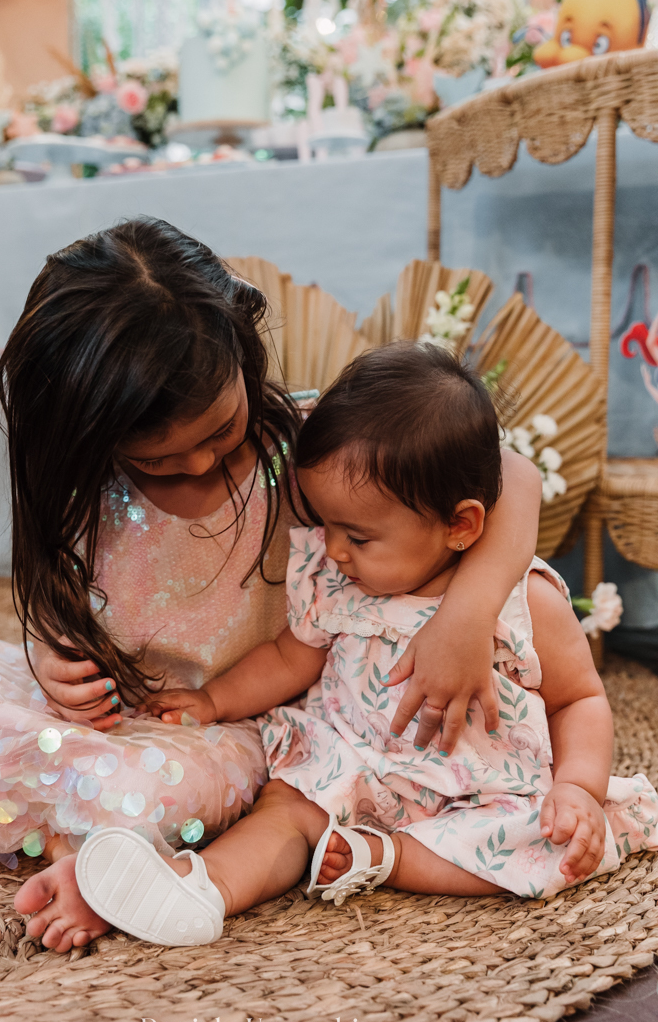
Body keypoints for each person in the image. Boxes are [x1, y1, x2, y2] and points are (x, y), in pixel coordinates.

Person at [0, 219, 540, 954]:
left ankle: (93, 847)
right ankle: (76, 829)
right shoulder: (86, 483)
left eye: (219, 431)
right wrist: (53, 655)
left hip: (227, 727)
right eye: (162, 462)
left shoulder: (305, 450)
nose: (203, 465)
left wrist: (466, 612)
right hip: (112, 718)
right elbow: (63, 602)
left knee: (152, 795)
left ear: (243, 350)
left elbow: (514, 473)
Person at [68, 344, 658, 947]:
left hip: (477, 792)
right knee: (285, 809)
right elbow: (289, 658)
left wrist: (578, 787)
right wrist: (214, 701)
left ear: (460, 525)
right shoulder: (336, 578)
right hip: (351, 763)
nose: (336, 548)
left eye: (359, 535)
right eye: (326, 525)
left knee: (542, 846)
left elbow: (579, 699)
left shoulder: (524, 602)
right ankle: (201, 884)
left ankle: (392, 858)